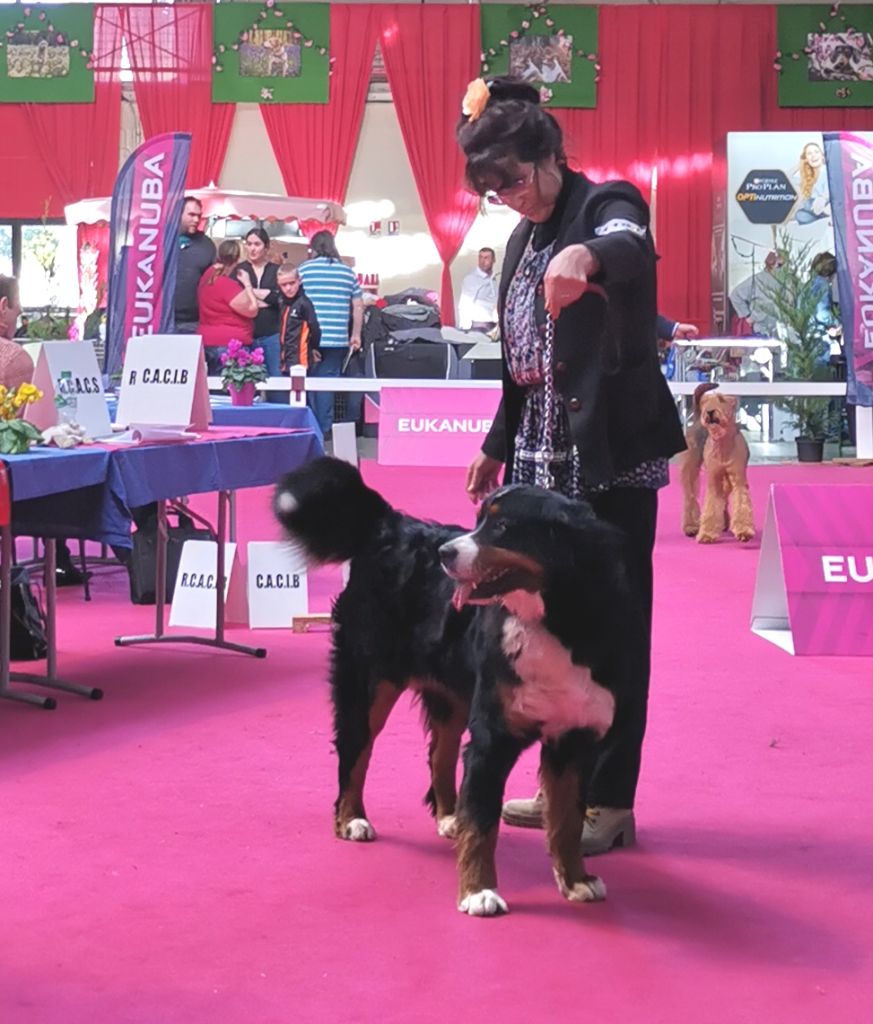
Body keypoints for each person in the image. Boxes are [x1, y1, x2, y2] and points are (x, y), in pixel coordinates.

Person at [457, 76, 685, 854]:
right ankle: (561, 783)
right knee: (545, 634)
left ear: (550, 156)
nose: (508, 199)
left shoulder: (603, 204)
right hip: (538, 460)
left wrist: (585, 252)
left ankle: (608, 801)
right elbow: (517, 365)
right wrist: (496, 445)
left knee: (613, 632)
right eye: (493, 191)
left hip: (608, 462)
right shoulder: (521, 240)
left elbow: (627, 243)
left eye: (514, 180)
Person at [0, 276, 85, 585]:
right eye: (18, 308)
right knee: (57, 474)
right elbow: (30, 425)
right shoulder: (14, 359)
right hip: (11, 482)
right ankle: (59, 559)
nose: (19, 314)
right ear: (3, 307)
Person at [297, 231, 364, 436]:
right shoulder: (347, 272)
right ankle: (324, 428)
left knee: (305, 380)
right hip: (336, 337)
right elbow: (358, 306)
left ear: (313, 248)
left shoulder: (303, 270)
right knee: (327, 381)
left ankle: (309, 426)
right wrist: (356, 334)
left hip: (308, 336)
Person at [196, 240, 260, 375]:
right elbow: (252, 310)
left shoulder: (208, 276)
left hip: (207, 340)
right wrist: (247, 284)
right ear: (237, 260)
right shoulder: (226, 285)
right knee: (230, 391)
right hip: (229, 344)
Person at [237, 228, 283, 401]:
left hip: (271, 333)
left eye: (257, 244)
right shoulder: (240, 270)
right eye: (249, 244)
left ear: (266, 247)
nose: (253, 249)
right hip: (246, 334)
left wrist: (250, 290)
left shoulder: (276, 270)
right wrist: (264, 298)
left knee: (276, 381)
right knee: (246, 384)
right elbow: (238, 300)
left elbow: (278, 298)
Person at [174, 196, 216, 335]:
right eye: (191, 215)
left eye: (199, 215)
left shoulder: (207, 245)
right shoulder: (161, 240)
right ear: (178, 213)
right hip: (163, 317)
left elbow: (212, 282)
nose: (197, 220)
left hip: (194, 320)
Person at [276, 263, 322, 377]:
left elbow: (315, 328)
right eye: (283, 285)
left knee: (303, 393)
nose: (288, 288)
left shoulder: (304, 303)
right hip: (284, 358)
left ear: (299, 281)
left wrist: (314, 347)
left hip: (301, 358)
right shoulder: (281, 302)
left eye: (292, 283)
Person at [729, 250, 784, 337]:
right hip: (759, 330)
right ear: (771, 264)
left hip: (778, 331)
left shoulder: (786, 282)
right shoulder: (757, 280)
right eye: (780, 265)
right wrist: (748, 316)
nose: (783, 269)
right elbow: (735, 295)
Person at [458, 247, 499, 331]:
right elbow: (465, 303)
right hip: (479, 324)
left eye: (486, 258)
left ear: (493, 260)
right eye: (480, 257)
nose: (482, 261)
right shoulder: (471, 279)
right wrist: (465, 328)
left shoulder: (493, 278)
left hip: (493, 324)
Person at [790, 142, 831, 226]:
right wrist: (800, 163)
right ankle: (823, 215)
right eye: (809, 154)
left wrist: (823, 199)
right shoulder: (806, 174)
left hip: (827, 201)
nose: (813, 155)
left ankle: (826, 213)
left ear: (822, 156)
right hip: (813, 208)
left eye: (816, 152)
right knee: (800, 214)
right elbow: (787, 177)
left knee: (809, 204)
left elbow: (833, 189)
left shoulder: (827, 170)